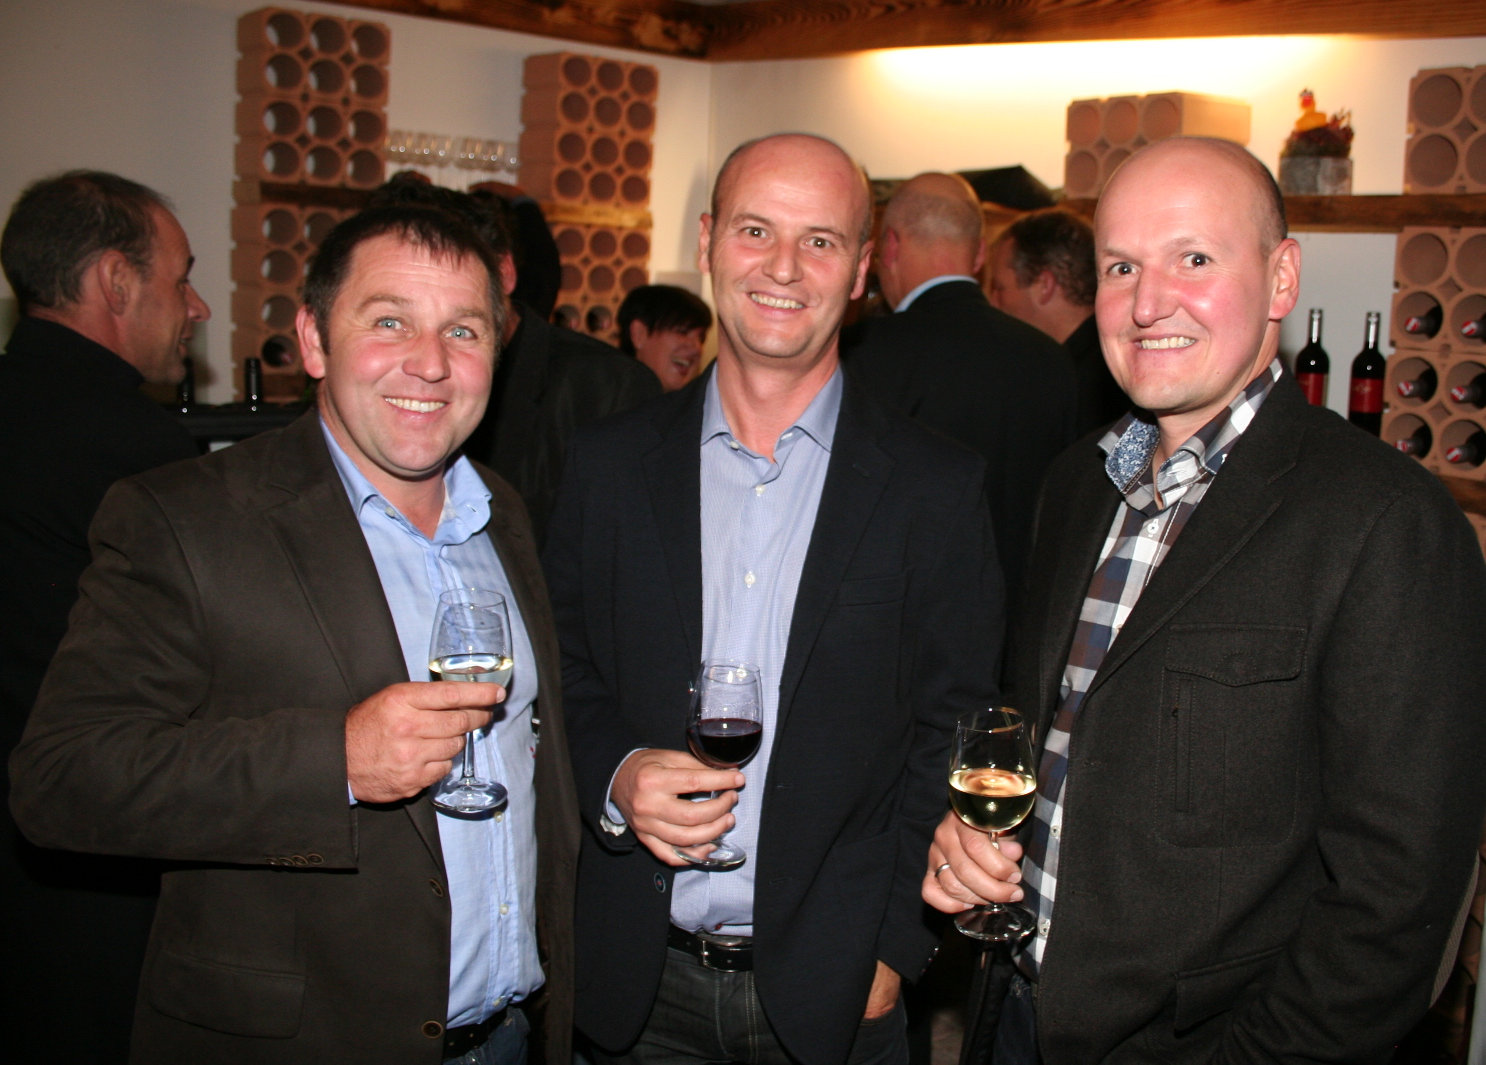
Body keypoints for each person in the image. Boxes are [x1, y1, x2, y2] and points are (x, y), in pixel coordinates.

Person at [923, 137, 1486, 1064]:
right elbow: (1048, 742)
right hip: (1013, 1014)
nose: (1149, 303)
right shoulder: (1076, 485)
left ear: (1281, 278)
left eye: (1193, 258)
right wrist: (971, 844)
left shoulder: (1386, 521)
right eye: (1121, 266)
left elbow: (1396, 903)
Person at [10, 204, 578, 1065]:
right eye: (389, 321)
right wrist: (336, 761)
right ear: (314, 340)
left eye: (463, 330)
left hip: (511, 1037)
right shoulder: (186, 517)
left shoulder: (504, 512)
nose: (430, 362)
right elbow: (60, 780)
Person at [544, 132, 1003, 1065]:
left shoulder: (936, 488)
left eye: (820, 240)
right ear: (708, 241)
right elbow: (560, 672)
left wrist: (894, 950)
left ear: (862, 269)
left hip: (838, 995)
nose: (783, 267)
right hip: (634, 982)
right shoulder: (606, 466)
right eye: (756, 230)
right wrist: (619, 771)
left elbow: (951, 728)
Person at [0, 169, 208, 1063]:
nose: (197, 307)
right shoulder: (139, 456)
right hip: (94, 873)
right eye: (181, 278)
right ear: (116, 282)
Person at [842, 172, 1076, 603]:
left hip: (906, 614)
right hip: (1029, 613)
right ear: (980, 254)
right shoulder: (1053, 359)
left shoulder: (863, 355)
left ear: (888, 246)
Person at [986, 207, 1126, 434]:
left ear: (1044, 286)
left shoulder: (1076, 382)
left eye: (999, 288)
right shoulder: (1110, 361)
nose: (992, 303)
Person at [616, 283, 712, 391]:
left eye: (701, 338)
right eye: (682, 332)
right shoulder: (605, 396)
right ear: (639, 334)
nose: (697, 349)